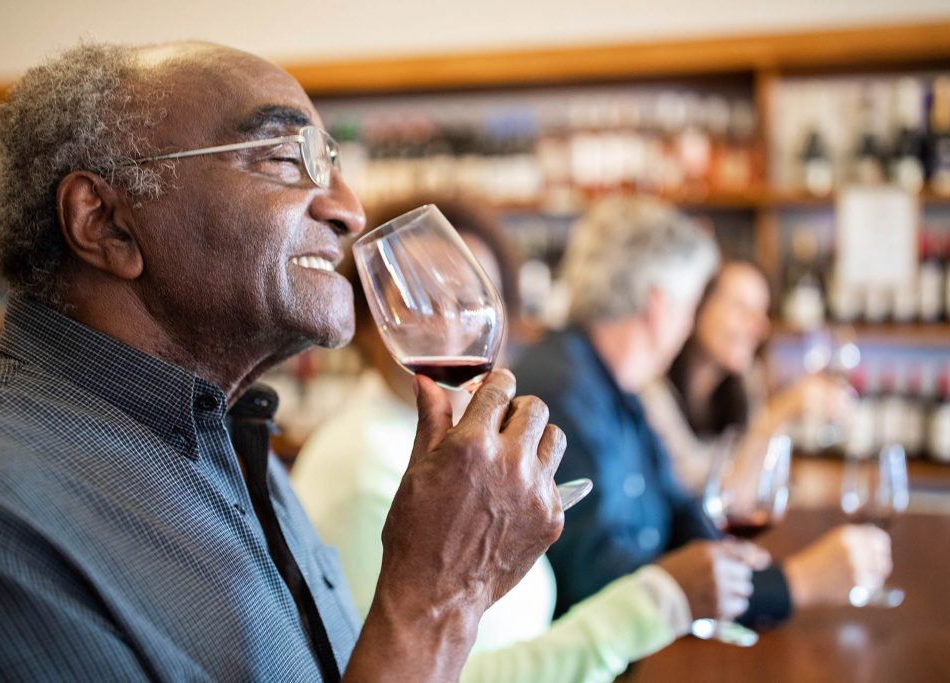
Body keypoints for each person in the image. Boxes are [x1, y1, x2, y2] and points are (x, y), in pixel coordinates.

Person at [0, 42, 569, 682]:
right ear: (106, 224)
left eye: (332, 162)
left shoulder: (233, 443)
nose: (349, 208)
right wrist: (436, 596)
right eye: (286, 158)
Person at [293, 196, 763, 682]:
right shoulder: (361, 467)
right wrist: (659, 600)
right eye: (426, 302)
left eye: (474, 298)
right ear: (374, 317)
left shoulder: (461, 444)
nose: (458, 324)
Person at [513, 197, 892, 623]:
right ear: (659, 306)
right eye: (691, 307)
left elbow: (677, 505)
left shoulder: (607, 381)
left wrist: (732, 564)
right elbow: (599, 584)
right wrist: (795, 584)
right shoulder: (561, 393)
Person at [640, 260, 855, 495]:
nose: (760, 327)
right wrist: (775, 415)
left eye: (761, 312)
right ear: (698, 305)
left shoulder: (746, 382)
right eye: (742, 309)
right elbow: (700, 497)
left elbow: (755, 494)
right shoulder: (648, 388)